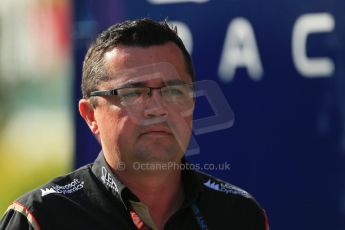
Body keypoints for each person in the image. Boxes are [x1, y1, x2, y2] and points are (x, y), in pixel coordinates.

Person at [0, 18, 268, 230]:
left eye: (173, 91)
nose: (156, 108)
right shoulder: (42, 218)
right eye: (132, 93)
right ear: (91, 116)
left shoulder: (238, 214)